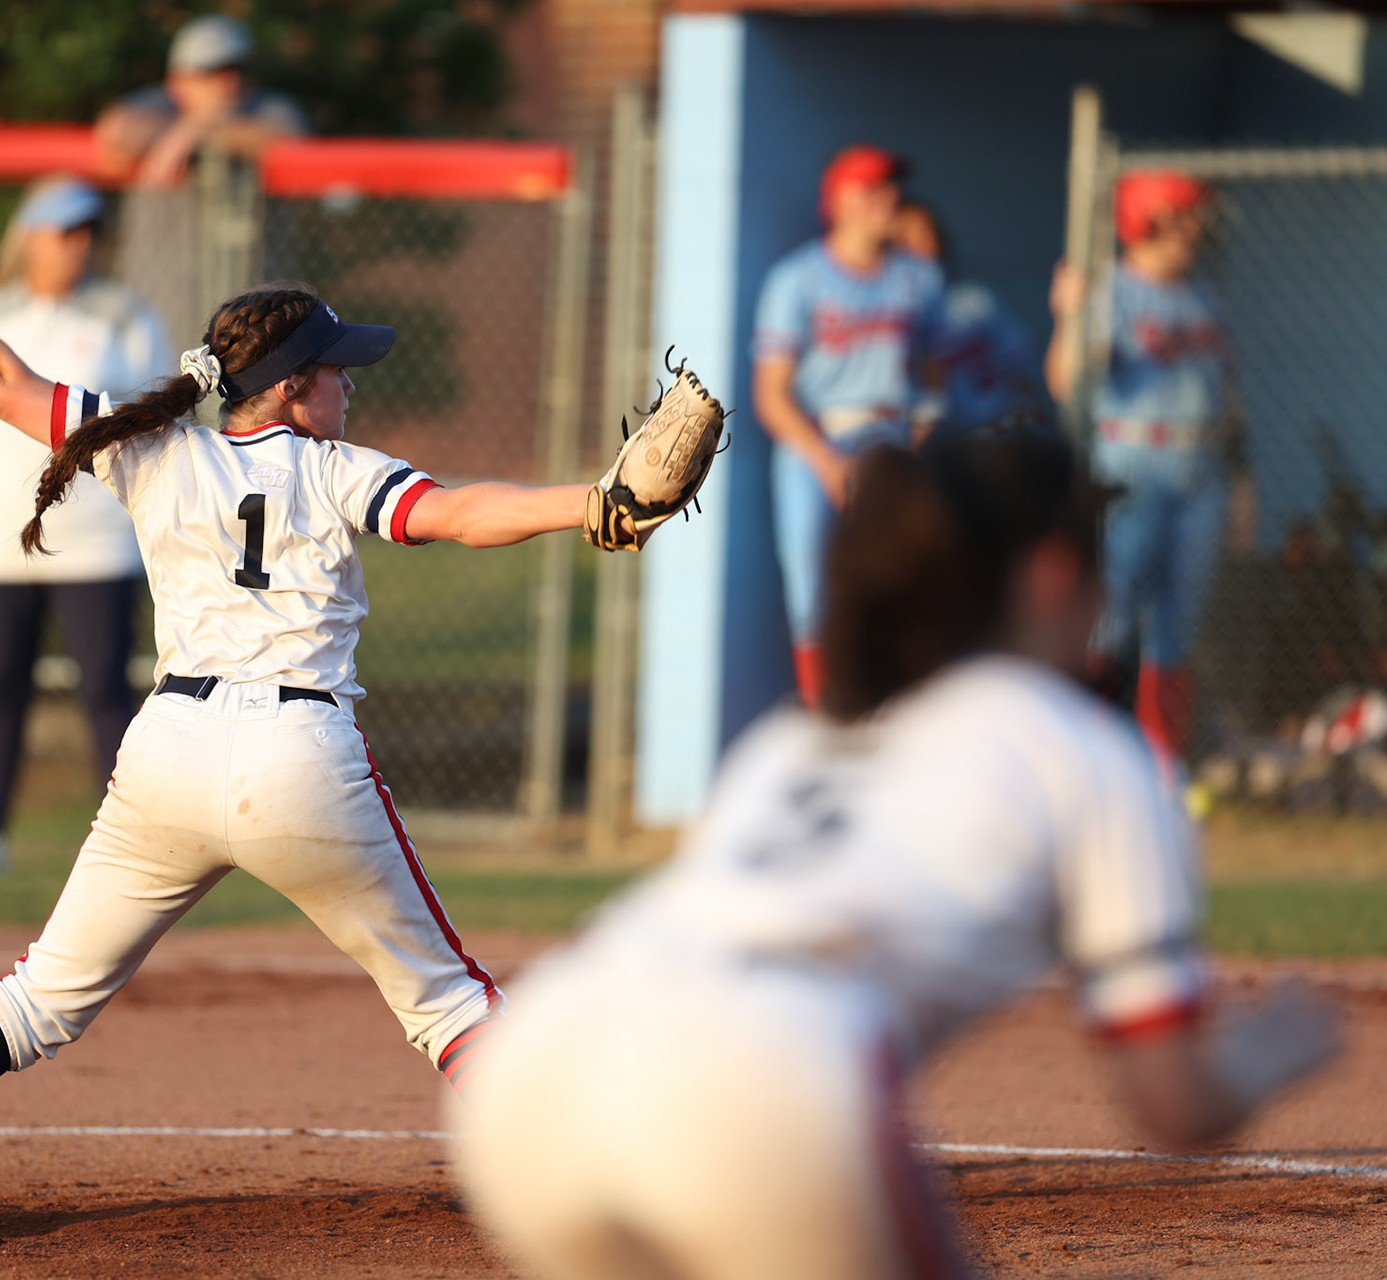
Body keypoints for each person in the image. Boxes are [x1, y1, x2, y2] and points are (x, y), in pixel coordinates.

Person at [0, 186, 614, 1241]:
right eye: (334, 372)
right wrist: (593, 498)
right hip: (299, 756)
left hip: (170, 756)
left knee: (37, 998)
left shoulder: (153, 450)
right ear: (287, 392)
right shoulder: (334, 472)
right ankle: (602, 1193)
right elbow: (458, 513)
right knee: (448, 1002)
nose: (348, 388)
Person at [455, 430, 1340, 1280]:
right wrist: (1277, 1049)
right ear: (1053, 574)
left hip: (535, 1067)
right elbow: (1175, 1100)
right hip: (761, 1071)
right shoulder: (1086, 750)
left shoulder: (798, 740)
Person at [0, 177, 172, 879]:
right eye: (64, 233)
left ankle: (139, 847)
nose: (78, 246)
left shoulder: (123, 316)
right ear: (29, 238)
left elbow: (152, 422)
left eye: (86, 233)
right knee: (0, 687)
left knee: (105, 688)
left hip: (94, 538)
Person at [1046, 170, 1236, 758]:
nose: (1194, 228)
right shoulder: (1111, 292)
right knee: (1114, 616)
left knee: (1178, 627)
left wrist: (1243, 481)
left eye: (1195, 216)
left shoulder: (1205, 299)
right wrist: (1069, 317)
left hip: (1200, 464)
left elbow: (1231, 401)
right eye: (1180, 215)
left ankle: (1161, 769)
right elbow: (1065, 381)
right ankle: (1092, 756)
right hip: (1131, 460)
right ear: (1143, 218)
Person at [754, 145, 945, 706]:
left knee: (902, 585)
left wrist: (922, 436)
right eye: (872, 189)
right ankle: (827, 718)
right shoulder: (798, 279)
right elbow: (772, 396)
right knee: (813, 597)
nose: (889, 199)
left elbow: (933, 374)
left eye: (892, 188)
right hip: (820, 441)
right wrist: (826, 462)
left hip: (891, 438)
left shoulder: (919, 278)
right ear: (838, 202)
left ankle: (895, 718)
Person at [94, 15, 309, 364]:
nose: (229, 82)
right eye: (212, 71)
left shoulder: (265, 109)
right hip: (156, 312)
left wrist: (201, 126)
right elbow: (115, 131)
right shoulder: (157, 106)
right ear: (177, 79)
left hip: (245, 322)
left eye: (237, 69)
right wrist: (193, 123)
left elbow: (290, 139)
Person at [892, 198, 1046, 437]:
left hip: (994, 434)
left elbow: (1022, 374)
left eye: (928, 231)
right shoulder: (889, 318)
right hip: (934, 441)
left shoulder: (976, 300)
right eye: (907, 239)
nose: (925, 243)